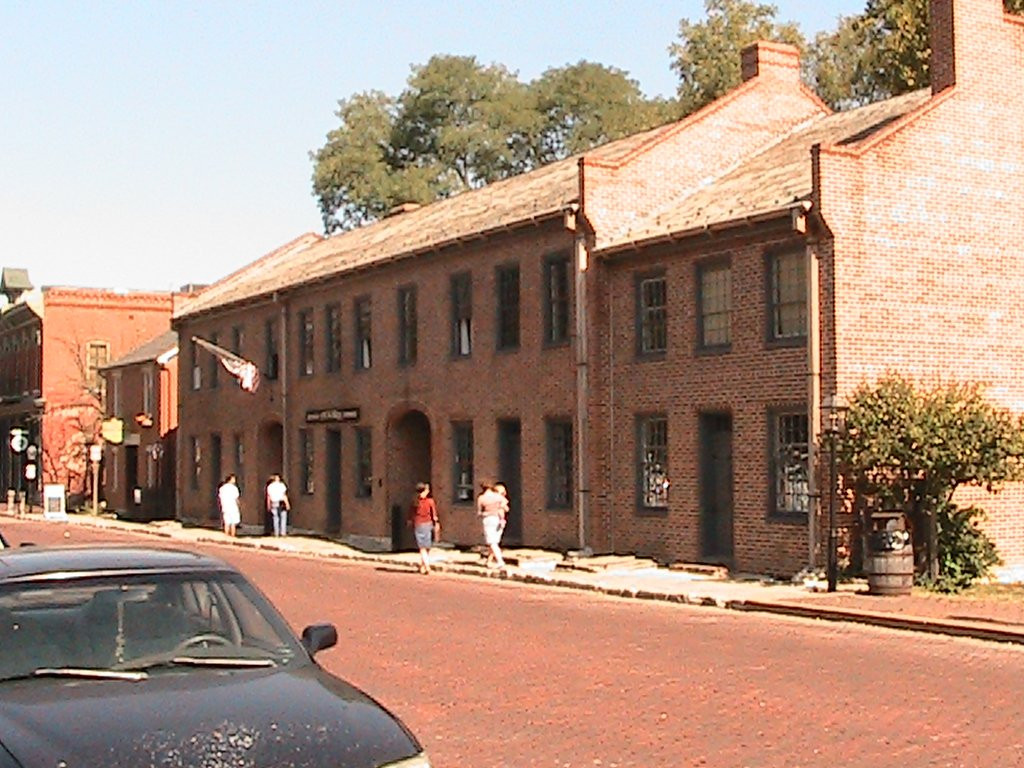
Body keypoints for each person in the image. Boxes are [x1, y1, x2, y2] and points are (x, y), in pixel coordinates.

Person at [408, 482, 439, 575]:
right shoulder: (430, 501)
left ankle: (423, 566)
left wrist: (410, 521)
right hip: (427, 524)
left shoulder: (414, 501)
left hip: (419, 524)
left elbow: (411, 513)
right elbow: (434, 514)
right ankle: (427, 566)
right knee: (425, 546)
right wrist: (436, 523)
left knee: (423, 547)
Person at [477, 481, 509, 571]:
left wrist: (486, 512)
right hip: (499, 519)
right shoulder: (498, 497)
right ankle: (489, 561)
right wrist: (500, 509)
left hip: (488, 519)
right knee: (495, 541)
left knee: (492, 542)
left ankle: (500, 561)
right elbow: (505, 506)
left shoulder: (481, 498)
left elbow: (479, 512)